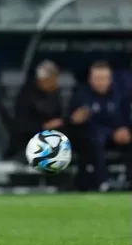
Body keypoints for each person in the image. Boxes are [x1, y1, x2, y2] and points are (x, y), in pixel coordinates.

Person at [11, 60, 93, 190]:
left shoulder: (54, 94)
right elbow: (22, 126)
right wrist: (44, 127)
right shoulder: (26, 97)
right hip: (30, 141)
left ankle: (83, 183)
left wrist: (71, 120)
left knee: (84, 138)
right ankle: (62, 184)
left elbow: (60, 120)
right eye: (53, 79)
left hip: (56, 134)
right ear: (43, 80)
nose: (56, 83)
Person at [68, 61, 132, 191]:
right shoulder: (81, 95)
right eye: (97, 78)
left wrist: (127, 130)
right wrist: (75, 120)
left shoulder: (121, 95)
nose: (101, 82)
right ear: (90, 79)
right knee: (96, 139)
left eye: (104, 78)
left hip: (118, 134)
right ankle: (103, 182)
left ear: (110, 79)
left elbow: (128, 116)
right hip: (93, 138)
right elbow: (73, 121)